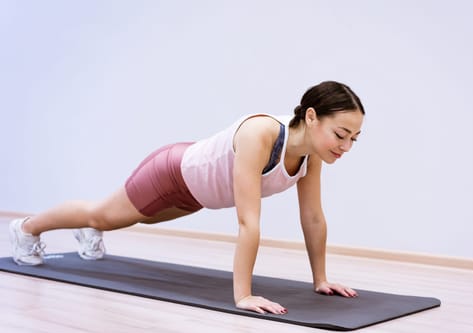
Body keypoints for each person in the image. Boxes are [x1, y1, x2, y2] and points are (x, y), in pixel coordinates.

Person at [9, 80, 365, 315]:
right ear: (312, 116)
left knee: (138, 217)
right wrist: (243, 295)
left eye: (354, 138)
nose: (346, 147)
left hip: (197, 195)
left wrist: (320, 279)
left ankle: (90, 233)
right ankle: (26, 229)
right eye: (341, 134)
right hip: (171, 173)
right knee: (103, 215)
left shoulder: (312, 156)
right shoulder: (262, 133)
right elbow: (247, 221)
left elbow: (313, 217)